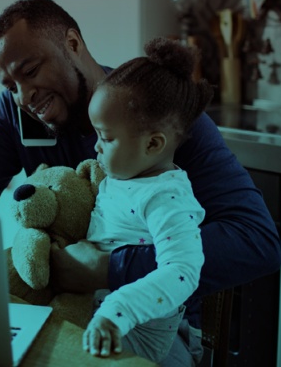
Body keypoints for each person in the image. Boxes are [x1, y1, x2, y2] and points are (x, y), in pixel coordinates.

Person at [0, 0, 281, 366]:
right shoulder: (13, 115)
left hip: (147, 329)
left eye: (30, 71)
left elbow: (256, 241)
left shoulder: (156, 116)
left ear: (73, 45)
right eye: (9, 85)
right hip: (64, 314)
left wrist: (109, 267)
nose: (23, 97)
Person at [82, 37, 212, 362]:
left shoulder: (166, 196)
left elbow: (182, 270)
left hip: (137, 335)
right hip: (97, 315)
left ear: (153, 145)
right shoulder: (124, 177)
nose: (96, 147)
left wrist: (117, 311)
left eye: (106, 138)